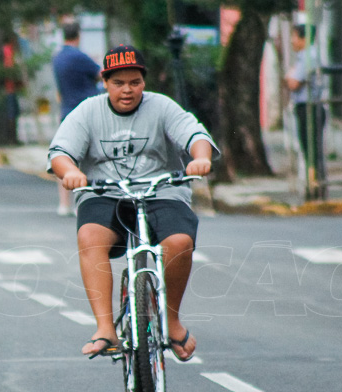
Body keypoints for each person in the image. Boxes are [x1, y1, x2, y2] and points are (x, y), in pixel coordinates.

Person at [48, 45, 217, 360]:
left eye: (135, 82)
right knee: (89, 237)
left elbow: (194, 134)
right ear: (105, 82)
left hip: (161, 191)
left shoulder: (162, 107)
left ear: (144, 82)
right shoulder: (87, 111)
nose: (127, 90)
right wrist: (70, 171)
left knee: (179, 241)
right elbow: (60, 152)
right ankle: (104, 329)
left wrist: (200, 158)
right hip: (105, 194)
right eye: (118, 83)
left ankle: (173, 321)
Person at [52, 20, 101, 216]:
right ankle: (88, 201)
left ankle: (64, 203)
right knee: (91, 157)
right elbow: (101, 74)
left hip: (66, 110)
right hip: (85, 111)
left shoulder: (57, 58)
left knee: (64, 155)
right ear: (78, 35)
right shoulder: (79, 57)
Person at [285, 24, 326, 192]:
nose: (292, 41)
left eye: (294, 37)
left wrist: (289, 75)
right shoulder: (307, 56)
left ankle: (315, 186)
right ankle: (314, 183)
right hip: (306, 107)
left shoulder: (308, 57)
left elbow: (293, 82)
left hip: (308, 108)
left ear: (304, 39)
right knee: (310, 149)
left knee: (311, 150)